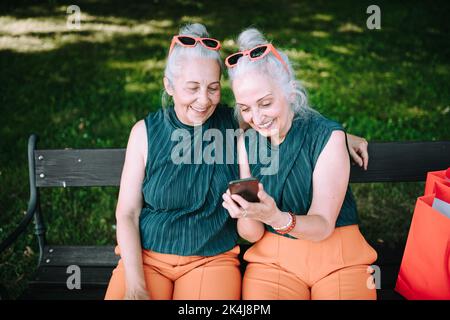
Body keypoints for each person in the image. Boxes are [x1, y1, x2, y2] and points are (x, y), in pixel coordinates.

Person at [105, 23, 370, 300]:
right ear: (168, 86)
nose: (203, 100)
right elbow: (127, 213)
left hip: (211, 259)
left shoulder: (232, 124)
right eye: (192, 88)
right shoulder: (147, 132)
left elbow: (283, 115)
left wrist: (337, 135)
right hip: (147, 257)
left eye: (213, 88)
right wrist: (135, 287)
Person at [222, 28, 377, 300]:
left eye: (265, 103)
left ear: (291, 93)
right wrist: (245, 214)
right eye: (245, 108)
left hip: (338, 257)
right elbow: (253, 235)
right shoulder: (247, 143)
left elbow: (323, 225)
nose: (256, 118)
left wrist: (276, 218)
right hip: (274, 262)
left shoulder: (327, 136)